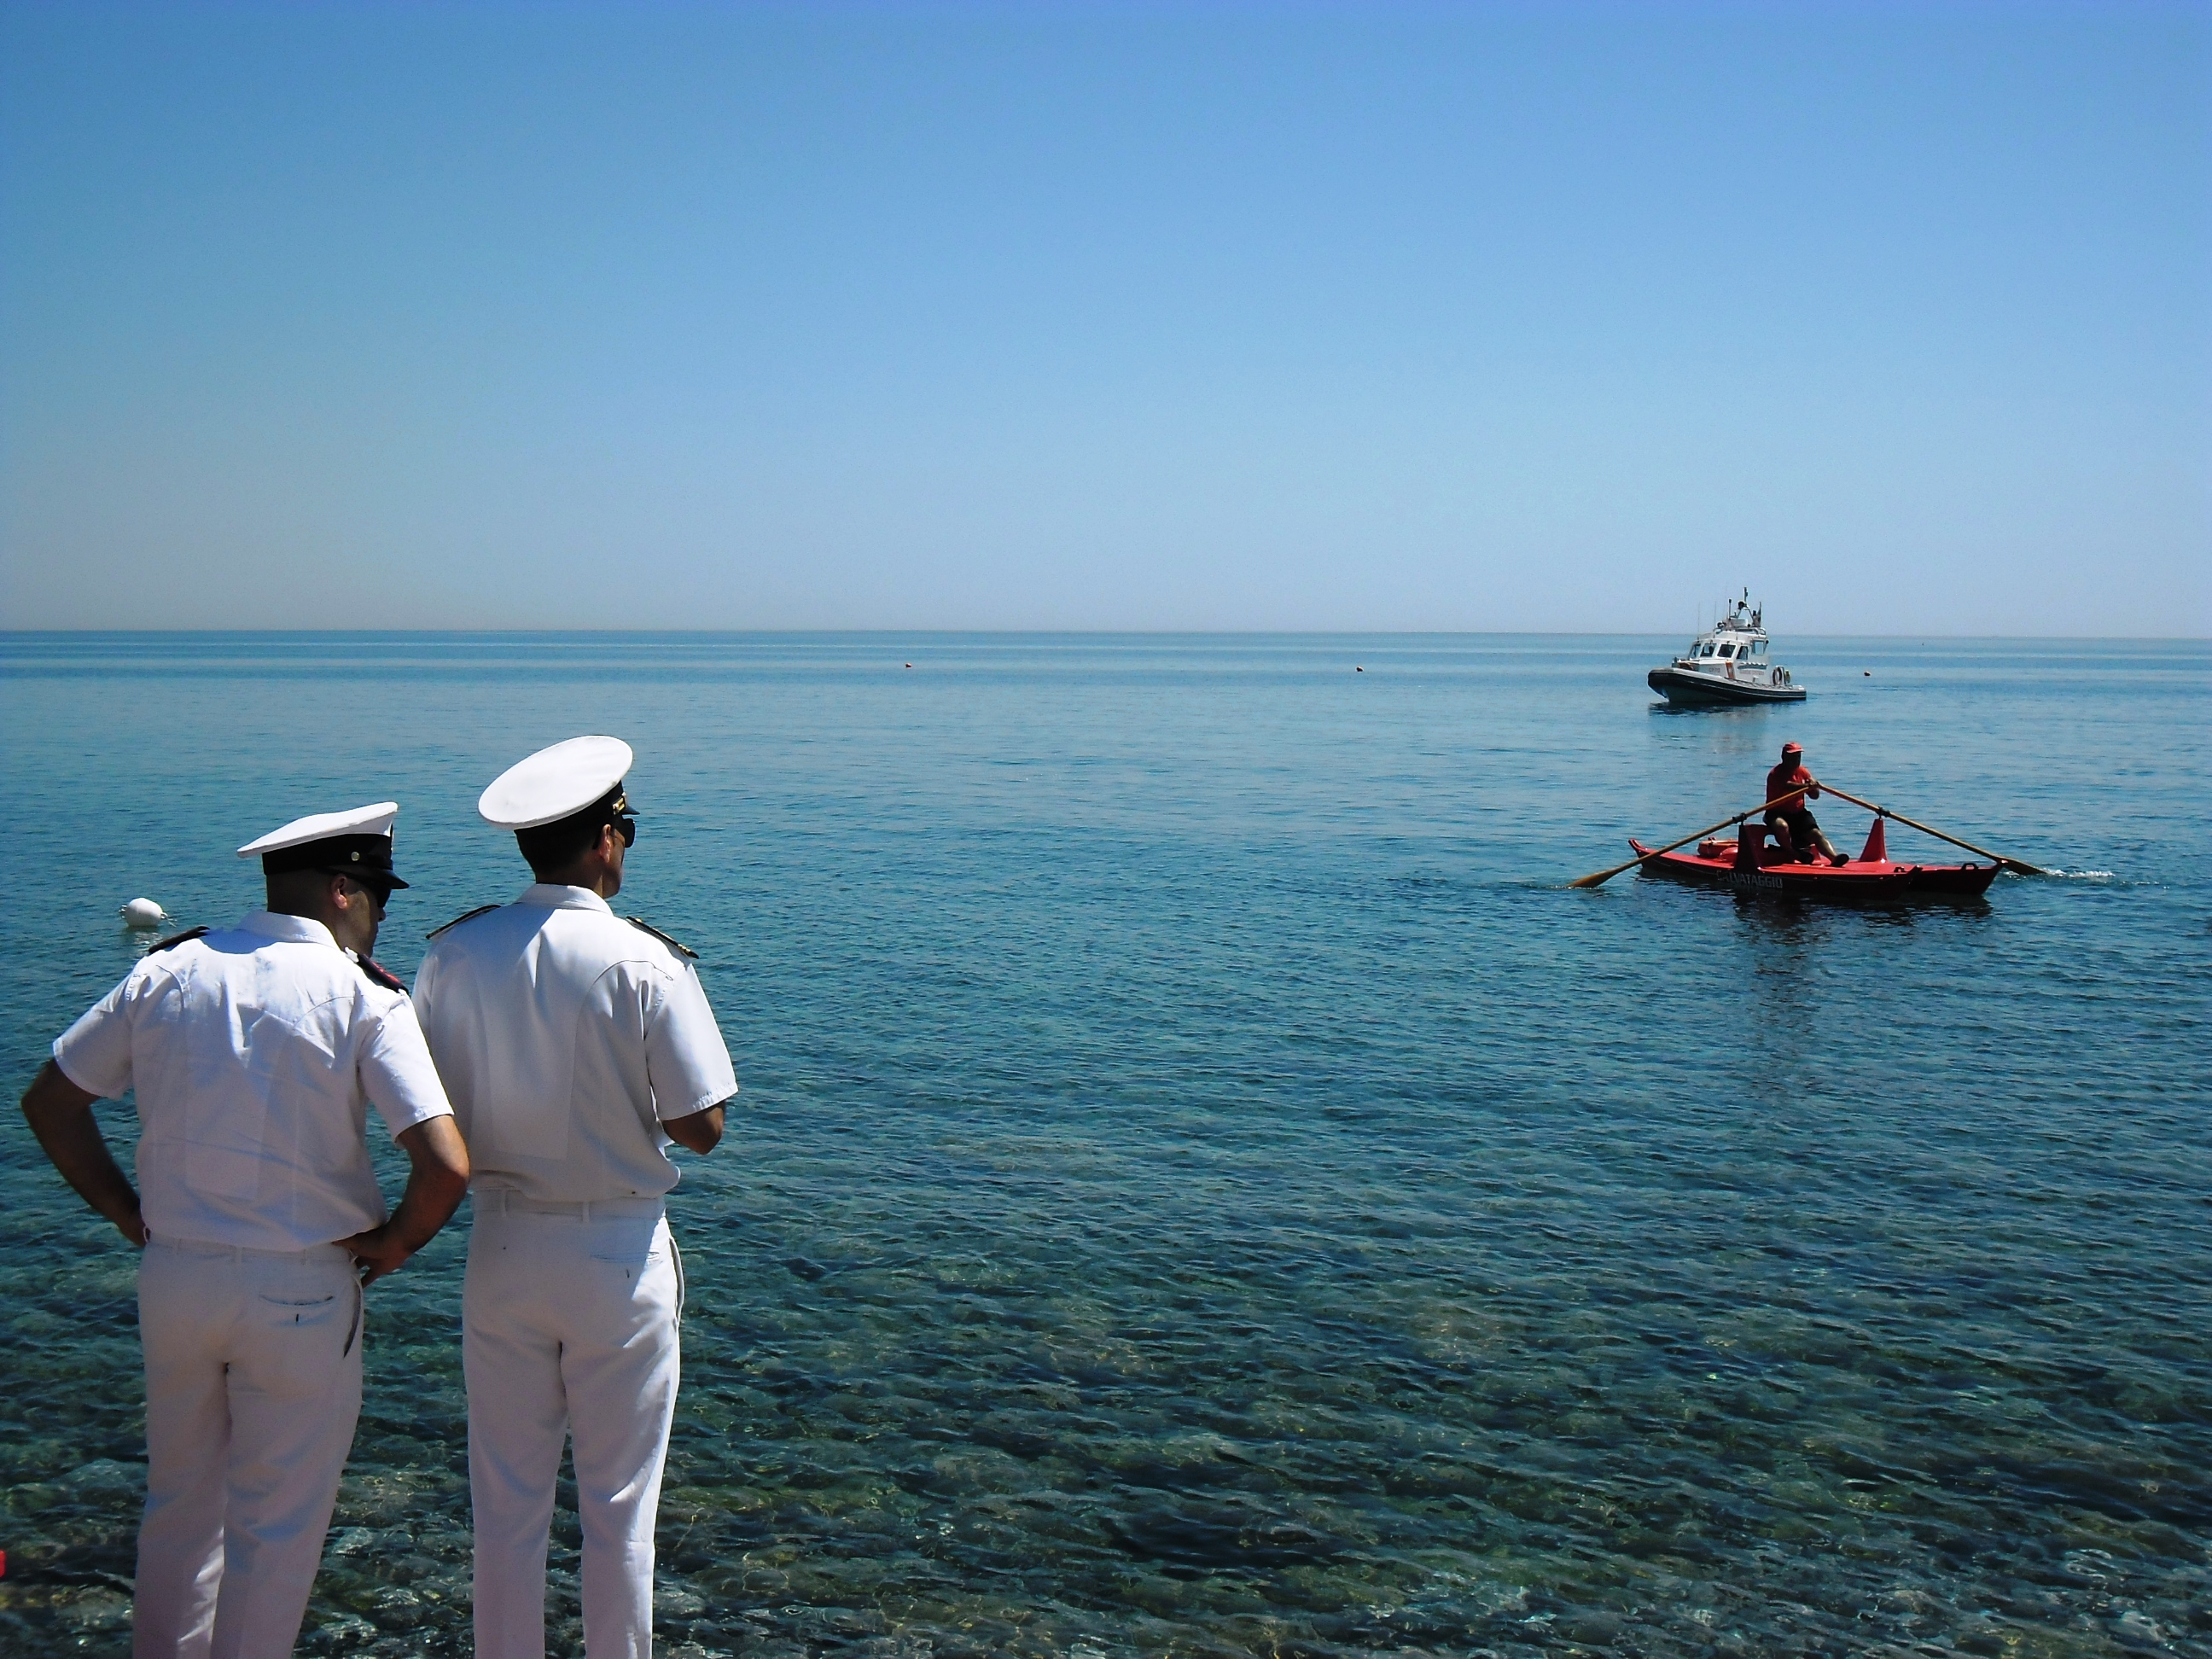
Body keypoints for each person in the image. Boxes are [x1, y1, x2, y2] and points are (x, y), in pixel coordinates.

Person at [19, 802, 471, 1659]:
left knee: (179, 1507)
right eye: (377, 895)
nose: (380, 914)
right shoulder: (360, 993)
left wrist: (123, 1209)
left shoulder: (171, 970)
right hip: (301, 1288)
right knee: (278, 1526)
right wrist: (397, 1243)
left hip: (176, 1276)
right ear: (344, 890)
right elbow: (445, 1164)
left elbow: (51, 1102)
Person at [412, 736, 736, 1659]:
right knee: (621, 1513)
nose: (627, 846)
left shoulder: (454, 954)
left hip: (503, 1247)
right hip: (617, 1253)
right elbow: (702, 1125)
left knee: (505, 1507)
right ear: (603, 840)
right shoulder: (646, 963)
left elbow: (425, 1104)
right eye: (625, 830)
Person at [1765, 742, 1845, 865]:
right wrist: (1808, 786)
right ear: (1784, 757)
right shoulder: (1776, 774)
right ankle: (1793, 853)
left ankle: (1834, 858)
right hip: (1776, 812)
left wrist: (1814, 787)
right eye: (1793, 757)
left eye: (1798, 757)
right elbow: (1789, 786)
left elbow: (1815, 796)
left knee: (1816, 833)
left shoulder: (1803, 772)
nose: (1796, 760)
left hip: (1798, 814)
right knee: (1782, 826)